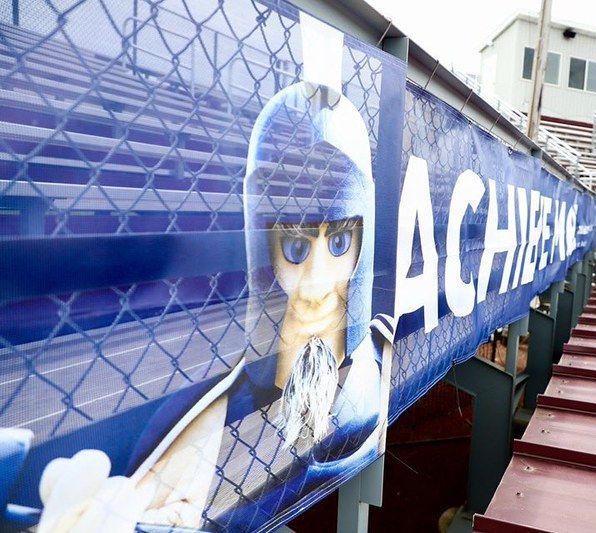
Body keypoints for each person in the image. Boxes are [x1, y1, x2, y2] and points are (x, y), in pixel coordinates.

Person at [1, 17, 394, 533]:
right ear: (264, 244)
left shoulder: (380, 358)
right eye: (295, 246)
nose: (318, 281)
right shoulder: (204, 411)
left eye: (340, 242)